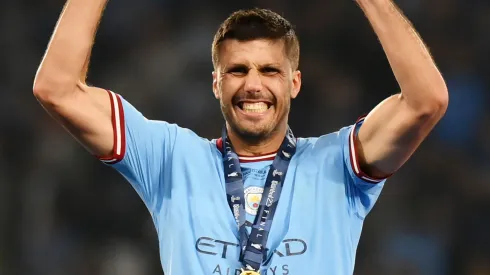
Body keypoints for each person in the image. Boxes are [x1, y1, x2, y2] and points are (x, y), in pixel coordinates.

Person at [32, 0, 448, 274]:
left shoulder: (338, 162)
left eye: (269, 71)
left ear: (294, 83)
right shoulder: (171, 159)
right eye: (237, 70)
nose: (253, 85)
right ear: (216, 83)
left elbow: (426, 101)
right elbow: (57, 88)